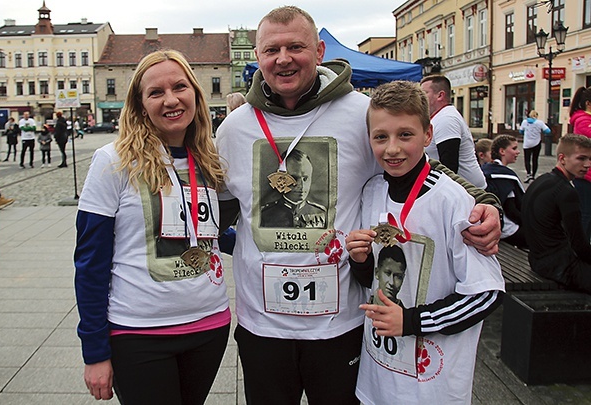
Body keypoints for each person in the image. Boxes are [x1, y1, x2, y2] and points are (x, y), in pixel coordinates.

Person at [216, 6, 502, 404]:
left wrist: (487, 203)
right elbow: (215, 204)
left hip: (341, 325)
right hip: (263, 325)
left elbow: (415, 166)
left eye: (295, 47)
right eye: (271, 50)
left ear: (318, 51)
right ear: (258, 58)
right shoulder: (233, 129)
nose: (283, 58)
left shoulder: (358, 113)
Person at [74, 49, 230, 404]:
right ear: (141, 105)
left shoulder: (210, 159)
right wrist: (94, 351)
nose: (171, 100)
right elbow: (89, 263)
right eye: (156, 92)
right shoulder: (112, 161)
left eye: (179, 87)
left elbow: (211, 234)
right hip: (139, 334)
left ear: (195, 93)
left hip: (209, 325)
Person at [346, 80, 504, 405]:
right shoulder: (372, 191)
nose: (392, 148)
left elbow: (486, 293)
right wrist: (360, 261)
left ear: (428, 135)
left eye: (405, 135)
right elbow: (372, 282)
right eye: (381, 137)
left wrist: (413, 321)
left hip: (432, 383)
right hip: (379, 374)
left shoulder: (452, 199)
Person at [522, 134, 591, 293]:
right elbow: (579, 245)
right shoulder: (567, 192)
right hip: (559, 267)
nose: (588, 165)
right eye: (581, 158)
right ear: (562, 158)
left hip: (537, 260)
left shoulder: (540, 181)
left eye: (590, 159)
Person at [420, 75, 486, 188]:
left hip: (467, 190)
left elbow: (449, 165)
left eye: (424, 93)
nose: (420, 98)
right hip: (461, 187)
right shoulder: (441, 116)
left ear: (440, 95)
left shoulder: (447, 119)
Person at [260, 148, 326, 228]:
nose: (301, 185)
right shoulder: (264, 214)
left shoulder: (321, 213)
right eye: (294, 178)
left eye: (305, 179)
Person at [482, 135, 527, 248]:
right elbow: (511, 211)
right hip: (507, 230)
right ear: (502, 151)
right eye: (514, 148)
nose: (518, 152)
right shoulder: (504, 176)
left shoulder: (487, 169)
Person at [569, 86, 591, 241]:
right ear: (588, 103)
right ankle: (580, 248)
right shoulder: (583, 121)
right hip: (585, 174)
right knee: (586, 213)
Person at [519, 110, 550, 183]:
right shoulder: (539, 123)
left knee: (527, 159)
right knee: (535, 159)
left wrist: (526, 132)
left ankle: (528, 174)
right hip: (536, 143)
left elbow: (521, 131)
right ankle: (533, 175)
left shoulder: (524, 122)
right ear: (536, 116)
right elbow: (548, 131)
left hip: (527, 144)